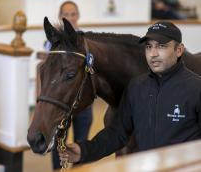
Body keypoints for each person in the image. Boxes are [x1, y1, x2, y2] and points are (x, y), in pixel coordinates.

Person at [59, 21, 201, 164]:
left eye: (161, 46)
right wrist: (84, 151)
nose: (153, 53)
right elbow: (117, 134)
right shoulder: (136, 87)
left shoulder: (196, 88)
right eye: (148, 47)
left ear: (179, 50)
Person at [44, 1, 93, 170]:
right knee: (59, 143)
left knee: (81, 143)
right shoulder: (53, 41)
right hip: (61, 103)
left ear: (78, 16)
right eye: (66, 15)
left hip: (82, 102)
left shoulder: (86, 40)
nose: (70, 18)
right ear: (60, 17)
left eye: (73, 14)